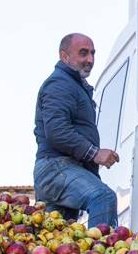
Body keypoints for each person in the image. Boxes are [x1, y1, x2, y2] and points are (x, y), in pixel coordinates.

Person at [33, 33, 119, 227]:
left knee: (60, 236)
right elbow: (57, 131)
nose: (90, 59)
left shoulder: (74, 85)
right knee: (103, 197)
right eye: (83, 53)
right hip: (56, 168)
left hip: (61, 169)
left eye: (92, 53)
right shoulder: (59, 84)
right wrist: (94, 153)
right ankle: (102, 247)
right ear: (64, 56)